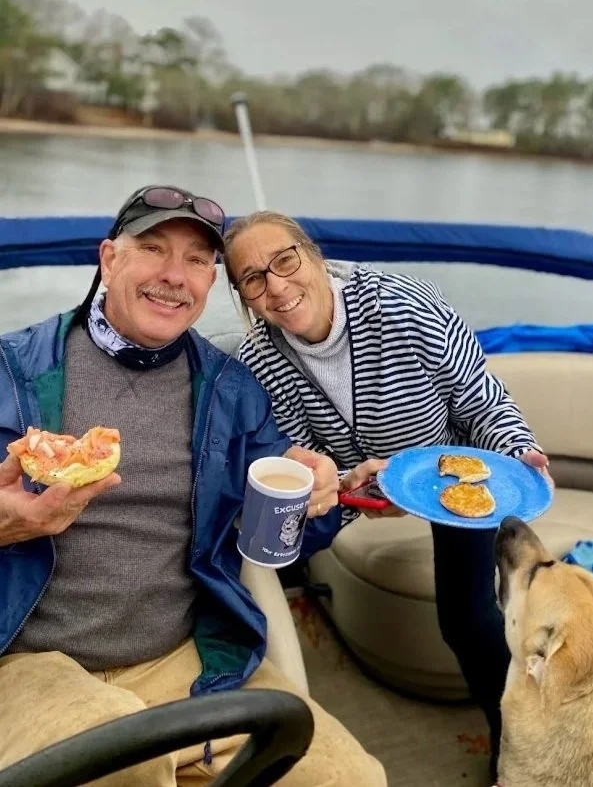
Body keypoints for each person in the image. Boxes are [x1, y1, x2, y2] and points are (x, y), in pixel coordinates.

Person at [0, 186, 387, 787]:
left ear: (211, 283)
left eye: (197, 261)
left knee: (350, 778)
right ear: (108, 258)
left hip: (189, 658)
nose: (174, 276)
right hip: (24, 661)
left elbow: (282, 532)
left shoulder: (232, 391)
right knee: (128, 764)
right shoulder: (11, 369)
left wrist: (325, 492)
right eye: (153, 249)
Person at [222, 210, 552, 781]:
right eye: (253, 279)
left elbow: (482, 400)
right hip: (360, 484)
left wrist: (519, 452)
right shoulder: (259, 360)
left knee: (468, 621)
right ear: (244, 298)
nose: (276, 286)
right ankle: (269, 706)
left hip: (449, 478)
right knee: (256, 553)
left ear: (315, 256)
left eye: (285, 261)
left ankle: (518, 745)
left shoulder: (404, 305)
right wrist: (341, 484)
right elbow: (299, 455)